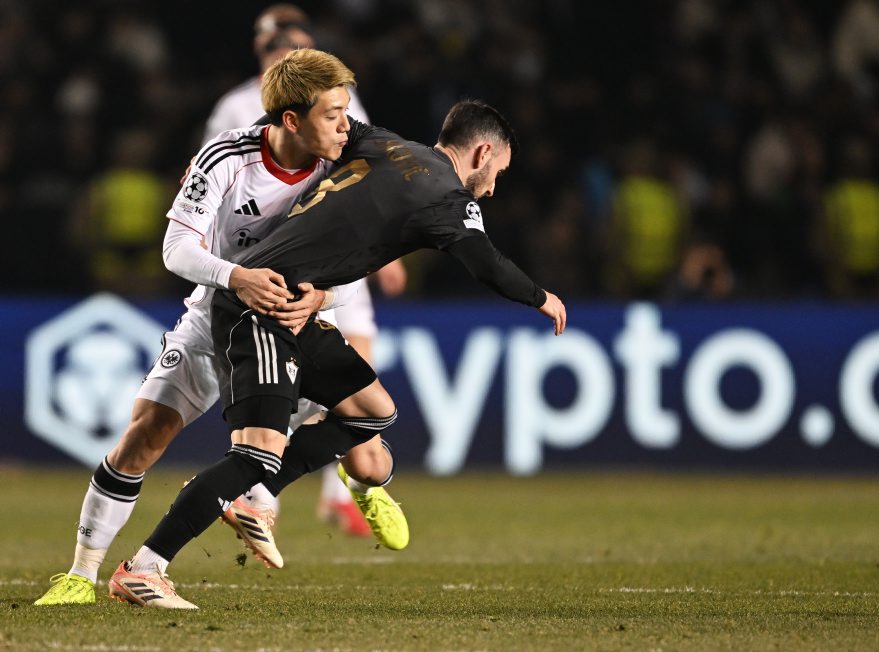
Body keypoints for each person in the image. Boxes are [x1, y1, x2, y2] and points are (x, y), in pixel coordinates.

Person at [108, 70, 566, 609]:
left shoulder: (386, 143)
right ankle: (145, 567)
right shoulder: (446, 195)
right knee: (257, 454)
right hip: (261, 305)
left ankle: (254, 495)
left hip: (298, 307)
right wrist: (541, 297)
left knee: (372, 412)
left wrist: (228, 145)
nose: (493, 187)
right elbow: (486, 264)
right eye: (498, 171)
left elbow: (287, 124)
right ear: (482, 151)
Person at [34, 48, 407, 607]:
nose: (345, 125)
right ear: (290, 120)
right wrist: (238, 277)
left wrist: (323, 296)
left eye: (345, 110)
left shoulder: (347, 165)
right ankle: (80, 576)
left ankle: (303, 490)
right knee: (144, 436)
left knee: (372, 451)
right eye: (332, 113)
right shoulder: (226, 158)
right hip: (219, 313)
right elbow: (176, 249)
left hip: (296, 324)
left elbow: (358, 268)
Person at [206, 2, 407, 536]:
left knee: (360, 375)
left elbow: (366, 166)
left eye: (294, 42)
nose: (285, 51)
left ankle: (346, 491)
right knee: (274, 389)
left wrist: (388, 253)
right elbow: (212, 173)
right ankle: (262, 491)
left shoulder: (335, 94)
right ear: (261, 50)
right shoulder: (236, 107)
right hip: (268, 268)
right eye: (275, 44)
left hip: (335, 259)